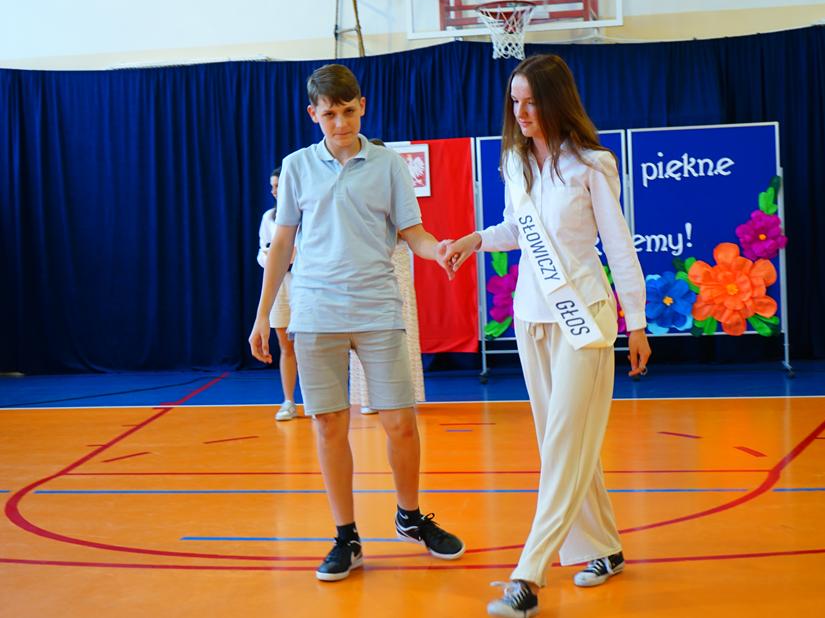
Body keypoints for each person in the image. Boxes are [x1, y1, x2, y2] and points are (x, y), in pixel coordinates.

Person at [442, 54, 651, 617]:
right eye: (515, 101)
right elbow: (518, 228)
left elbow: (618, 244)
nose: (522, 112)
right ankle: (603, 548)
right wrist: (476, 240)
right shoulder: (515, 163)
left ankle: (528, 575)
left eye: (532, 101)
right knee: (566, 442)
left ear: (557, 102)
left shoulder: (592, 164)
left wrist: (636, 321)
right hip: (531, 318)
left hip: (584, 320)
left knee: (563, 444)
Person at [248, 63, 464, 583]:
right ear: (313, 114)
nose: (340, 123)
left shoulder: (389, 165)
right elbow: (282, 244)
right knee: (328, 424)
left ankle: (409, 516)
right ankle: (346, 536)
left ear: (362, 106)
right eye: (330, 115)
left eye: (348, 111)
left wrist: (438, 250)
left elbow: (412, 232)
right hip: (315, 310)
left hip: (377, 308)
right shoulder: (296, 166)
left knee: (400, 422)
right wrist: (262, 315)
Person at [350, 139, 426, 415]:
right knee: (362, 328)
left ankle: (405, 394)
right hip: (361, 265)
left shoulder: (397, 188)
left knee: (401, 326)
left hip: (395, 259)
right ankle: (368, 396)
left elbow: (410, 230)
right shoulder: (354, 192)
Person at [257, 166, 299, 421]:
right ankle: (288, 401)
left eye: (278, 185)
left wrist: (293, 255)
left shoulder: (306, 212)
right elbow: (262, 253)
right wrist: (271, 255)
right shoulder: (269, 217)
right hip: (279, 283)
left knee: (312, 345)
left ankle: (318, 403)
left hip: (304, 281)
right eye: (272, 186)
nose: (274, 190)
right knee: (286, 345)